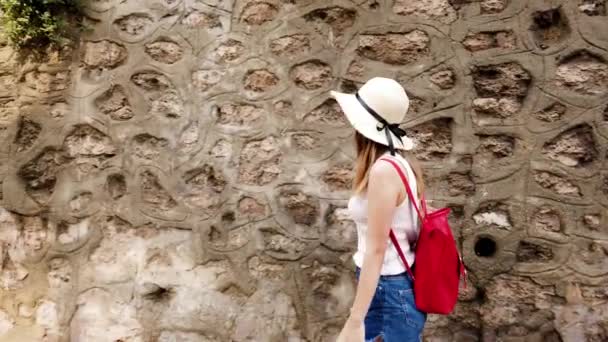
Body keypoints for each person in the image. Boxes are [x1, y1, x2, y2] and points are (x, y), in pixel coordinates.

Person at [332, 77, 427, 342]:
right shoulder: (399, 163)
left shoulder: (384, 171)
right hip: (390, 288)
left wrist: (354, 320)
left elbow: (376, 250)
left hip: (388, 292)